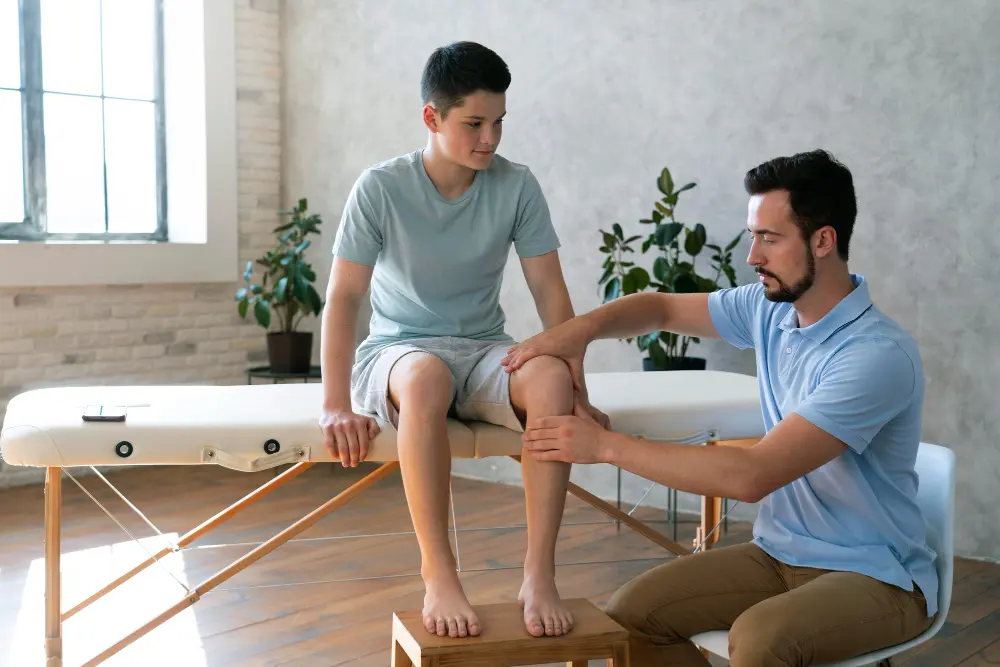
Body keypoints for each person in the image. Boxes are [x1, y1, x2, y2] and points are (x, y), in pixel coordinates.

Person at [501, 149, 938, 666]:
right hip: (780, 555)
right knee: (635, 613)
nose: (753, 256)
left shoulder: (874, 356)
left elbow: (750, 475)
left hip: (878, 576)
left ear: (824, 240)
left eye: (769, 239)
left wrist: (604, 446)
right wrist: (580, 331)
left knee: (760, 640)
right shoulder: (769, 310)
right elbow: (661, 306)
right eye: (753, 236)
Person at [318, 41, 608, 640]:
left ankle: (538, 573)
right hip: (399, 352)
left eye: (498, 122)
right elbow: (344, 298)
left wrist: (577, 384)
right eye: (474, 124)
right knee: (426, 377)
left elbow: (552, 295)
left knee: (548, 375)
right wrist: (334, 404)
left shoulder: (516, 186)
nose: (490, 139)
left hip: (481, 350)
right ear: (433, 118)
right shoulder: (379, 187)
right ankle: (439, 572)